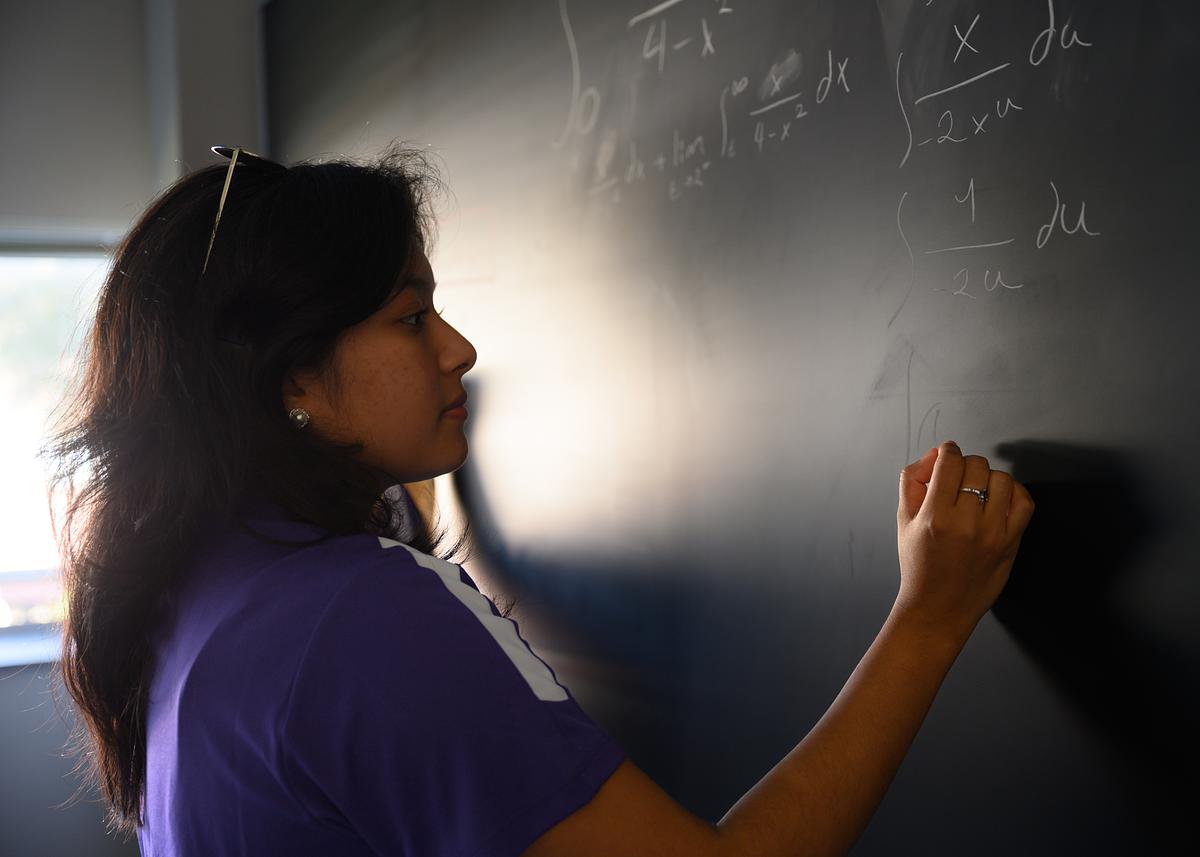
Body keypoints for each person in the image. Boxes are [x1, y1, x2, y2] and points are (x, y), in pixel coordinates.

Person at [43, 143, 1034, 857]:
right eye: (412, 315)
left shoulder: (200, 581)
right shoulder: (362, 616)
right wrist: (930, 616)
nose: (459, 349)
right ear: (292, 378)